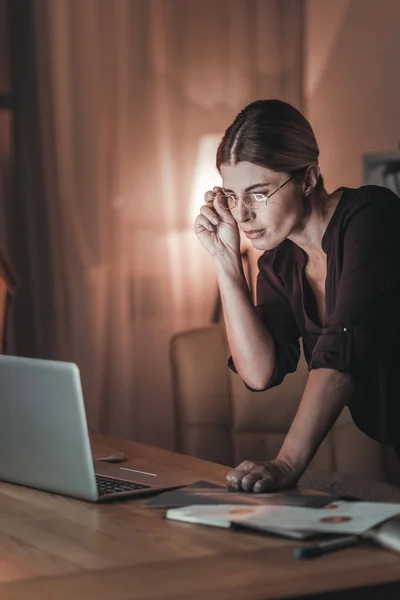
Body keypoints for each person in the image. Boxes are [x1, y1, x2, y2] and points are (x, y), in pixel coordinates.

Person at [194, 99, 400, 493]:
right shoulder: (279, 263)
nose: (242, 215)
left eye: (258, 194)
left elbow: (342, 353)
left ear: (308, 178)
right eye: (232, 196)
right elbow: (259, 372)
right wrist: (225, 260)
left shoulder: (372, 218)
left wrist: (287, 464)